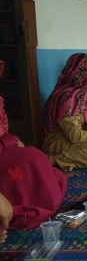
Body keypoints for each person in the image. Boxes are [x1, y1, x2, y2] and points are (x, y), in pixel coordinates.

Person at [0, 60, 67, 238]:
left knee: (34, 158)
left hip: (5, 147)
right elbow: (75, 134)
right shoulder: (68, 96)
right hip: (65, 141)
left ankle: (38, 201)